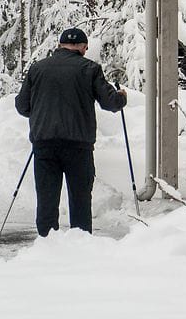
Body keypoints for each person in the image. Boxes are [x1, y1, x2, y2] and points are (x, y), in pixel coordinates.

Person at [15, 27, 127, 236]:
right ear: (84, 47)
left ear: (59, 45)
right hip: (78, 145)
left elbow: (22, 106)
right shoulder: (90, 69)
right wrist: (121, 96)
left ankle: (47, 243)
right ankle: (80, 242)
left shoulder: (37, 69)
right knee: (80, 198)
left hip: (44, 144)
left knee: (47, 198)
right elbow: (110, 103)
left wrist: (43, 114)